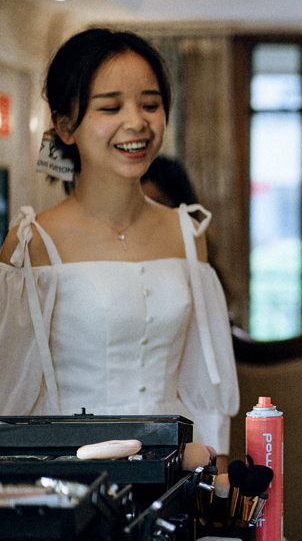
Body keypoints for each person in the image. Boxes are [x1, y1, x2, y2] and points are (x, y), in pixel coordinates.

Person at [0, 28, 238, 453]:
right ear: (66, 126)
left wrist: (215, 473)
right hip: (73, 470)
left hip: (173, 467)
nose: (137, 122)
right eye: (110, 107)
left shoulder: (188, 234)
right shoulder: (32, 242)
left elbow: (204, 383)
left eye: (150, 104)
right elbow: (10, 394)